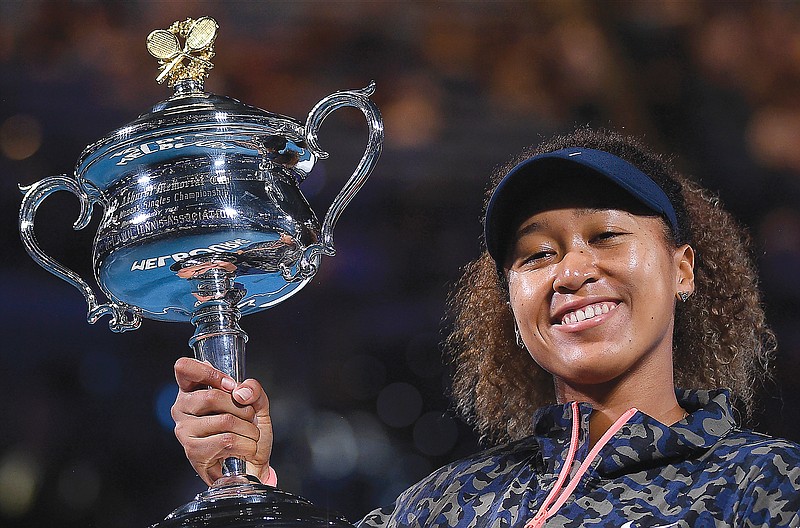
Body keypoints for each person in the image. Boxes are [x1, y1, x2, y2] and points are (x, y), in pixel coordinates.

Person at [172, 127, 800, 527]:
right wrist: (248, 492)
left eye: (606, 236)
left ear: (682, 269)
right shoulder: (445, 505)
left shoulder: (767, 485)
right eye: (537, 254)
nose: (572, 270)